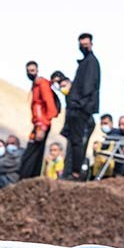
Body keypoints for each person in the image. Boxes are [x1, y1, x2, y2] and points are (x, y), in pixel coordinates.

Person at [62, 33, 101, 180]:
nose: (83, 47)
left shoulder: (91, 63)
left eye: (86, 44)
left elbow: (88, 87)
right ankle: (72, 172)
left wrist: (78, 104)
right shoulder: (86, 62)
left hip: (81, 109)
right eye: (81, 44)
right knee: (74, 141)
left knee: (77, 142)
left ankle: (75, 172)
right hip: (79, 107)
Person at [21, 61, 59, 179]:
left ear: (37, 70)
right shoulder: (35, 85)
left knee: (31, 152)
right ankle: (32, 177)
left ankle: (26, 178)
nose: (30, 73)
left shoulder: (42, 85)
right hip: (39, 123)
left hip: (41, 124)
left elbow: (50, 105)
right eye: (28, 71)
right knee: (36, 151)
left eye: (32, 70)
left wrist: (43, 126)